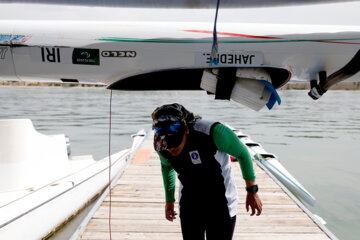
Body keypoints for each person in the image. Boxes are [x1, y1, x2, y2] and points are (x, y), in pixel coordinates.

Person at [152, 103, 262, 240]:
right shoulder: (162, 145)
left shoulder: (214, 132)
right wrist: (169, 200)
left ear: (185, 129)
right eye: (165, 145)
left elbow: (243, 153)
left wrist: (252, 190)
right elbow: (167, 167)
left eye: (174, 142)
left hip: (221, 202)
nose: (170, 149)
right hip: (190, 203)